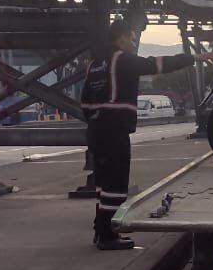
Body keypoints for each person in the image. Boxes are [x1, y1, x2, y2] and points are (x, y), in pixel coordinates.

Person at [81, 20, 202, 250]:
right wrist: (190, 58)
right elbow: (155, 64)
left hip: (96, 131)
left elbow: (85, 101)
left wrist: (96, 119)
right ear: (122, 38)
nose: (134, 43)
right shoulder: (121, 60)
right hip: (114, 130)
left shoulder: (96, 64)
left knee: (103, 185)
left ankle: (101, 230)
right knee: (116, 185)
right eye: (133, 38)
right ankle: (108, 236)